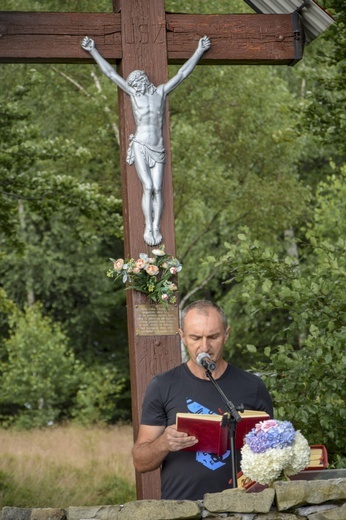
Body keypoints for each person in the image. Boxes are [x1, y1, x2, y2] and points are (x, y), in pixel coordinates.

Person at [132, 300, 273, 500]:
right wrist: (163, 443)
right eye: (196, 338)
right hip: (182, 510)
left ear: (226, 334)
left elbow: (271, 455)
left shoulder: (253, 386)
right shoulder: (162, 385)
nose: (204, 346)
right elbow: (140, 462)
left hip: (241, 507)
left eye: (213, 336)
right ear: (182, 337)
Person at [81, 35, 211, 247]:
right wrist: (93, 50)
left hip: (158, 147)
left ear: (143, 80)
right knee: (148, 187)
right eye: (133, 84)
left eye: (136, 82)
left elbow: (182, 74)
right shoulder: (134, 95)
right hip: (141, 145)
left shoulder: (160, 92)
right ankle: (148, 226)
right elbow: (111, 74)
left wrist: (199, 50)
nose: (135, 86)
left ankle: (156, 226)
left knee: (158, 189)